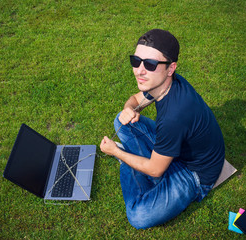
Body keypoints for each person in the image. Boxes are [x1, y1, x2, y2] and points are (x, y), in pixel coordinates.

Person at [100, 29, 225, 229]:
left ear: (170, 68)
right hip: (179, 148)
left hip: (195, 173)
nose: (139, 70)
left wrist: (116, 152)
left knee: (138, 216)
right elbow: (135, 100)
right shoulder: (163, 83)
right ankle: (138, 161)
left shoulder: (174, 117)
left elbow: (156, 170)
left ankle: (130, 160)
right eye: (136, 61)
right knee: (121, 120)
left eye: (149, 64)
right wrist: (128, 109)